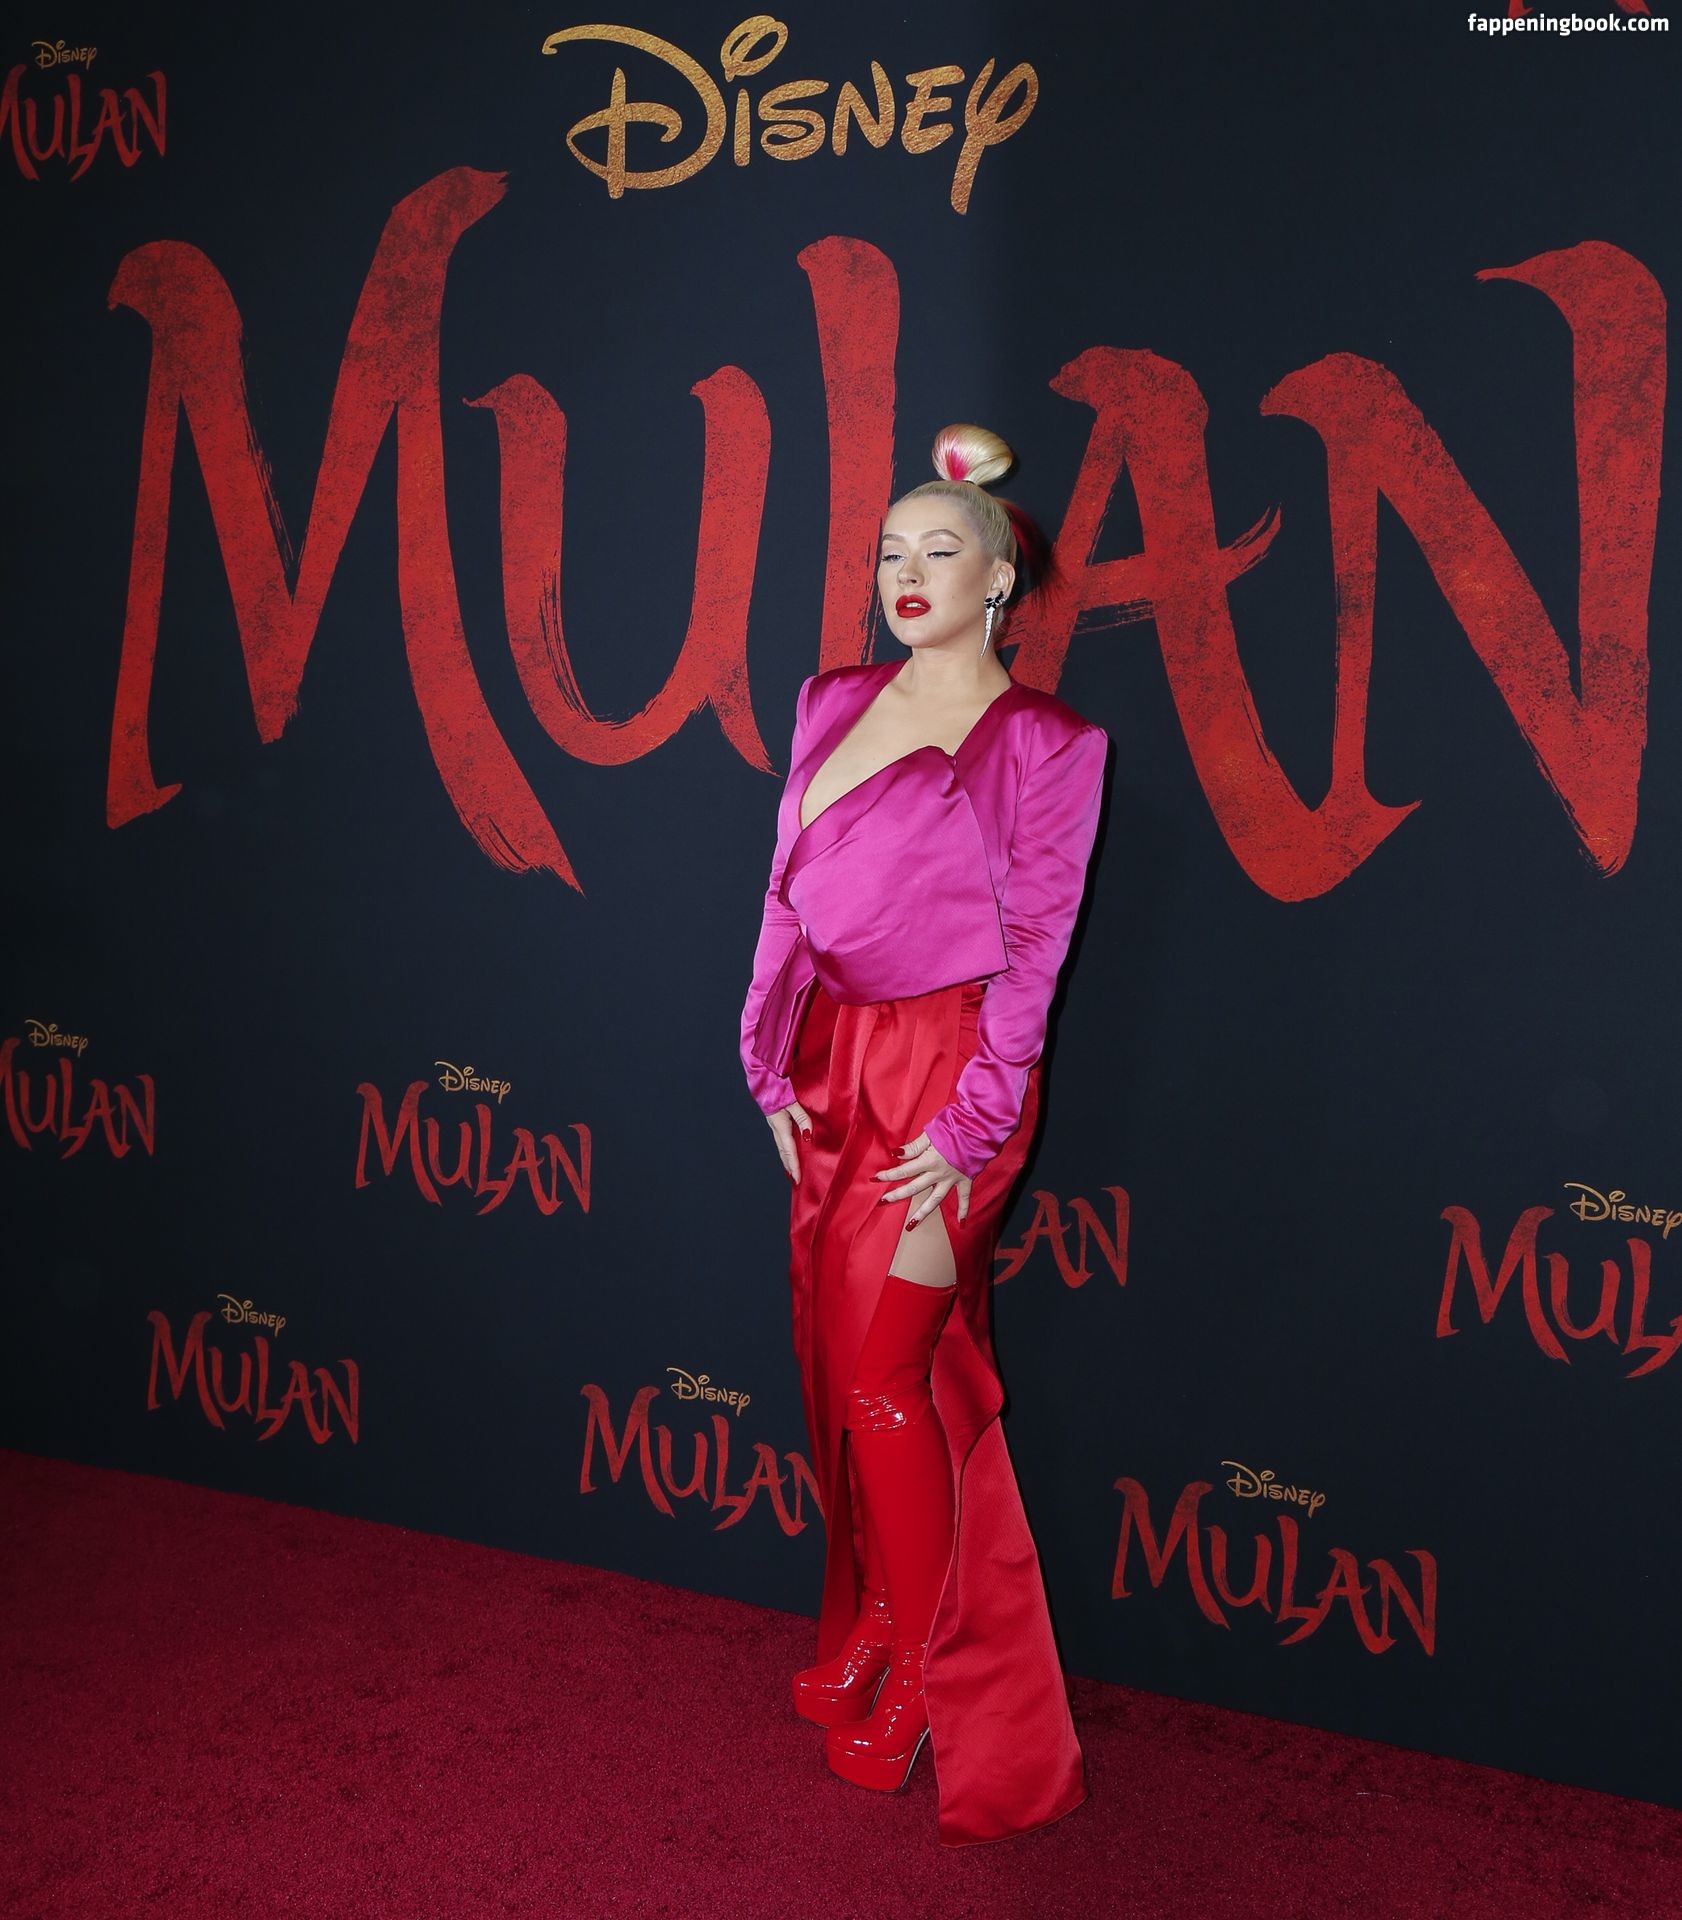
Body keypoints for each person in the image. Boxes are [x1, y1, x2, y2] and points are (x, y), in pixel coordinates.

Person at [738, 422, 1109, 1846]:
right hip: (831, 1062)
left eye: (939, 549)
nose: (907, 572)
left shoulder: (1049, 744)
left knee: (888, 1376)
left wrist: (974, 1125)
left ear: (999, 576)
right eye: (890, 550)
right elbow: (785, 897)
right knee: (841, 1370)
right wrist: (764, 1059)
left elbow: (1036, 955)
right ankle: (884, 1622)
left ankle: (928, 1679)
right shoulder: (829, 700)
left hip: (956, 1077)